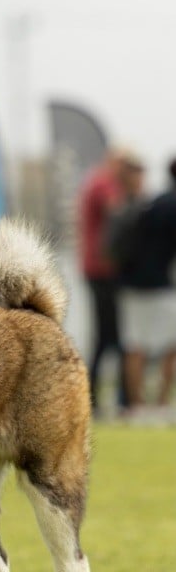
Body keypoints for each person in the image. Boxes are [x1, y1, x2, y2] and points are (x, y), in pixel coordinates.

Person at [77, 145, 144, 414]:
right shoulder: (105, 185)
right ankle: (111, 398)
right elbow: (119, 212)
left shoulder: (97, 182)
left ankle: (103, 397)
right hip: (102, 271)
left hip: (98, 270)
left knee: (108, 336)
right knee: (110, 337)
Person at [118, 156, 176, 418]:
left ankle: (138, 405)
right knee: (170, 346)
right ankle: (162, 404)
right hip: (162, 285)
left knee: (135, 345)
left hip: (132, 283)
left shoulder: (153, 203)